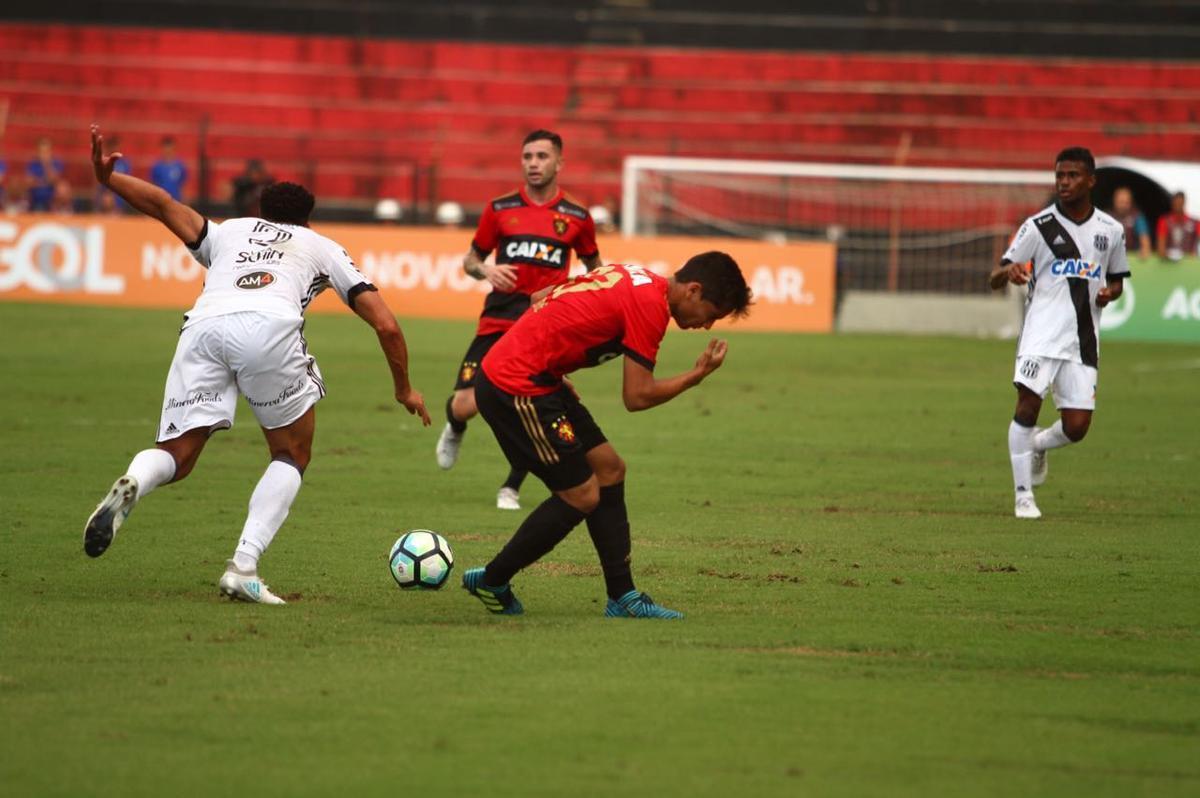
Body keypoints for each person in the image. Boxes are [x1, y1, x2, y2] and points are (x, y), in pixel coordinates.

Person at [82, 124, 431, 603]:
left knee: (178, 454)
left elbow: (165, 205)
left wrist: (110, 181)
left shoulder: (231, 231)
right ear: (306, 220)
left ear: (261, 212)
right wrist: (404, 388)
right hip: (268, 328)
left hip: (203, 327)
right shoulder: (321, 247)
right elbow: (387, 325)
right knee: (291, 454)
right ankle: (243, 566)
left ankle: (135, 481)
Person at [462, 254, 752, 619]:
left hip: (542, 378)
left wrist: (548, 357)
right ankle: (493, 579)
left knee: (610, 469)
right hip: (516, 385)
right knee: (581, 494)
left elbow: (541, 298)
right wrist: (695, 376)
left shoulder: (636, 274)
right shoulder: (652, 307)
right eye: (711, 313)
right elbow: (637, 396)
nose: (707, 325)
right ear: (693, 291)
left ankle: (622, 597)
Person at [435, 130, 603, 511]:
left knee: (533, 404)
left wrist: (581, 295)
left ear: (559, 163)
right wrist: (487, 271)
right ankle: (456, 427)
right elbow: (470, 261)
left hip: (544, 325)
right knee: (466, 403)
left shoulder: (577, 217)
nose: (533, 163)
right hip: (497, 320)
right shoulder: (500, 209)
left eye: (542, 156)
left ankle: (510, 486)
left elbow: (596, 269)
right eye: (527, 156)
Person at [989, 147, 1130, 520]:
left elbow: (1117, 282)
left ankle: (1037, 445)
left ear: (1090, 180)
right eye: (1059, 176)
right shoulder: (1038, 226)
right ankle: (1023, 496)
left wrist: (1109, 293)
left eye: (1072, 176)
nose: (1064, 182)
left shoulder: (1110, 231)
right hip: (1040, 335)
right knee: (1027, 406)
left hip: (1082, 340)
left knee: (1077, 427)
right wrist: (1009, 272)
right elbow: (995, 274)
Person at [1156, 191, 1200, 262]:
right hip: (1169, 263)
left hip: (1189, 263)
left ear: (1184, 203)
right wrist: (1168, 254)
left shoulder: (1194, 223)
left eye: (1180, 203)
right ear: (1172, 204)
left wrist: (1194, 254)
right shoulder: (1165, 221)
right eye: (1176, 203)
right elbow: (1161, 247)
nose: (1178, 206)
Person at [1109, 187, 1151, 258]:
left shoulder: (1137, 217)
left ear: (1131, 202)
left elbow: (1145, 242)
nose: (1123, 205)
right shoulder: (1106, 217)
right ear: (1114, 201)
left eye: (1126, 202)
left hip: (1132, 258)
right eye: (1121, 202)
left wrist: (1144, 250)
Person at [93, 134, 130, 213]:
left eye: (117, 146)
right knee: (106, 199)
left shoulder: (125, 163)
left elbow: (127, 183)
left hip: (119, 196)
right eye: (113, 146)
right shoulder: (103, 161)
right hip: (104, 195)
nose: (115, 149)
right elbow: (97, 182)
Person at [27, 137, 64, 211]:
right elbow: (30, 182)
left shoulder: (56, 163)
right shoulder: (33, 163)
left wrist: (46, 164)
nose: (43, 154)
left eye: (46, 151)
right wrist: (45, 182)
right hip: (36, 195)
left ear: (50, 151)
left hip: (52, 196)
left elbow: (54, 180)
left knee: (63, 189)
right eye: (41, 151)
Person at [150, 136, 187, 201]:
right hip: (161, 199)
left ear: (174, 148)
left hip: (176, 200)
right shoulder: (157, 166)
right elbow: (153, 184)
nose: (168, 150)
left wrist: (184, 199)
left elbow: (183, 185)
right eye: (165, 147)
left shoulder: (180, 166)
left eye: (170, 147)